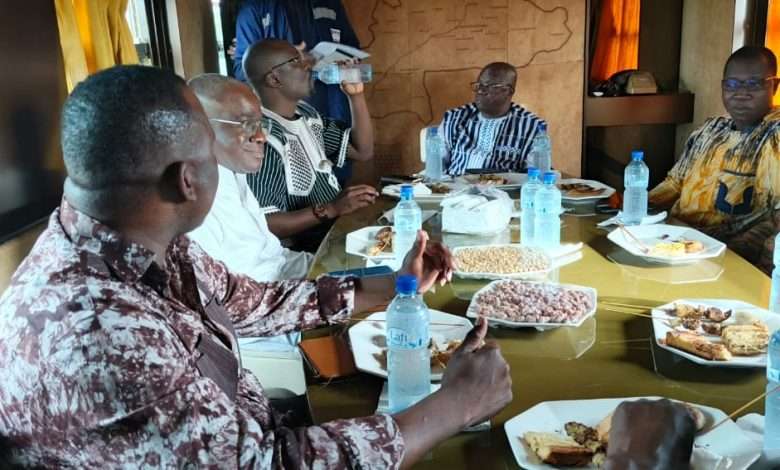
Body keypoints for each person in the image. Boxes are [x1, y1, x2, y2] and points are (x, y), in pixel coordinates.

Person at [0, 64, 513, 467]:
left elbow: (250, 301)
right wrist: (455, 406)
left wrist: (392, 285)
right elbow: (264, 463)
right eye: (212, 154)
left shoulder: (139, 244)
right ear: (186, 179)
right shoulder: (99, 328)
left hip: (254, 425)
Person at [649, 46, 780, 273]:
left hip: (724, 254)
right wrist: (636, 207)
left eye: (753, 84)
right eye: (732, 84)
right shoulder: (710, 129)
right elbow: (674, 183)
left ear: (774, 86)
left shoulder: (774, 135)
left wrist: (730, 257)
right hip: (676, 239)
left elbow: (775, 216)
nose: (741, 93)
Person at [243, 39, 377, 253]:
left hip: (334, 233)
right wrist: (331, 208)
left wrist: (356, 96)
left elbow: (363, 151)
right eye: (297, 61)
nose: (309, 65)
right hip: (304, 252)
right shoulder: (264, 138)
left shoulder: (306, 114)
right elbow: (266, 223)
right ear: (274, 78)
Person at [187, 73, 311, 283]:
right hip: (262, 298)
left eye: (260, 124)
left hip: (286, 283)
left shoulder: (233, 175)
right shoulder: (195, 208)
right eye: (246, 124)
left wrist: (333, 271)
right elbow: (225, 298)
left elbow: (275, 259)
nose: (262, 137)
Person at [233, 0, 362, 186]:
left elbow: (352, 48)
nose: (304, 65)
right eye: (297, 62)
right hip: (286, 115)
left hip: (332, 105)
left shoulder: (331, 3)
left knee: (337, 174)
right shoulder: (255, 9)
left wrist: (350, 77)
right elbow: (243, 68)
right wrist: (287, 60)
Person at [440, 62, 547, 176]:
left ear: (509, 91)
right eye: (479, 85)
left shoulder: (532, 127)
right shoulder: (454, 118)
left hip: (505, 186)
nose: (481, 91)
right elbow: (437, 167)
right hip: (456, 185)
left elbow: (536, 176)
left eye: (490, 87)